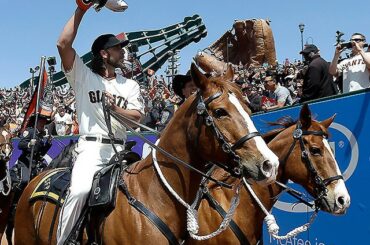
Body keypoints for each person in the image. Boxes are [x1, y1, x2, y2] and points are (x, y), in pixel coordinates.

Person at [56, 3, 144, 244]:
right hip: (92, 149)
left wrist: (115, 109)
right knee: (80, 191)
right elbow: (63, 45)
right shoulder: (84, 76)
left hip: (123, 150)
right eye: (117, 49)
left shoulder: (130, 85)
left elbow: (137, 119)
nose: (123, 52)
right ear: (104, 54)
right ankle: (64, 241)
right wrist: (81, 10)